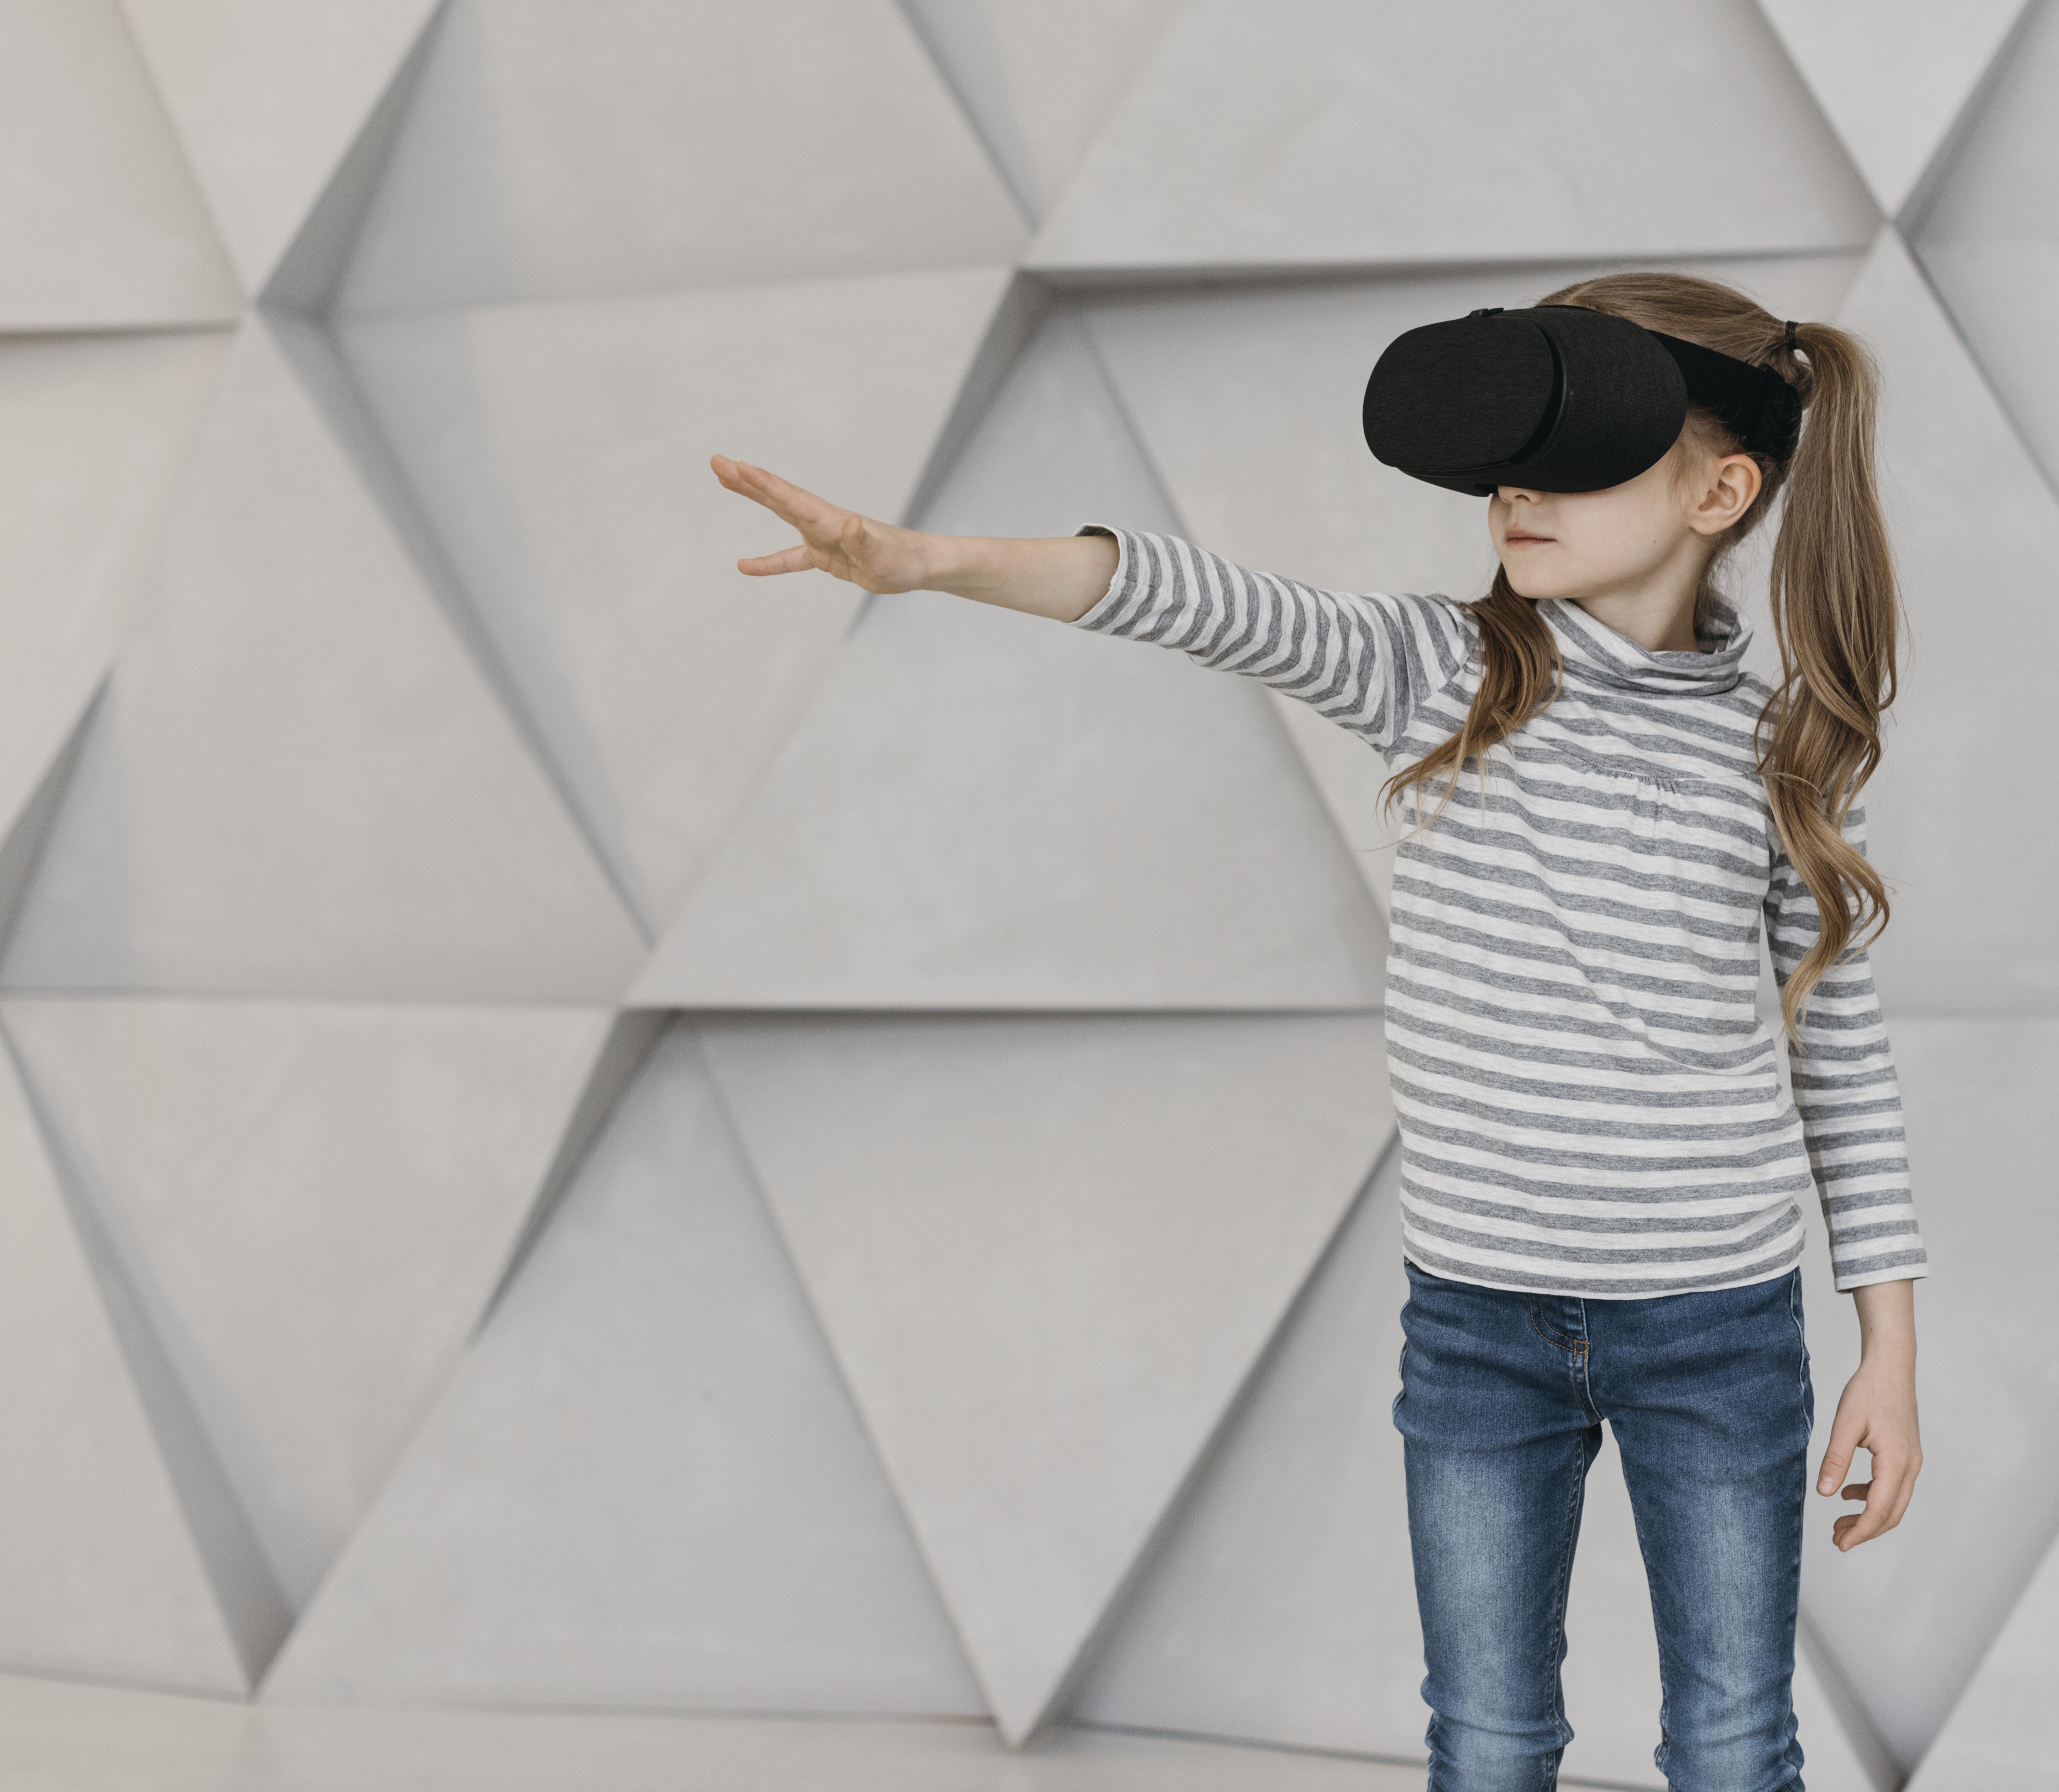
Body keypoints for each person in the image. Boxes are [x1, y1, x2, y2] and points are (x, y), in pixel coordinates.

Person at [709, 267, 1924, 1792]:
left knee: (1735, 1741)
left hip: (1718, 1328)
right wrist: (925, 557)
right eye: (1503, 463)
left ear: (1721, 489)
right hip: (1478, 1321)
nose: (1513, 497)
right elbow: (1192, 595)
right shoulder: (1446, 673)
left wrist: (1889, 1343)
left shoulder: (1782, 751)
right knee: (1486, 1740)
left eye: (1575, 455)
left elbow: (1842, 1057)